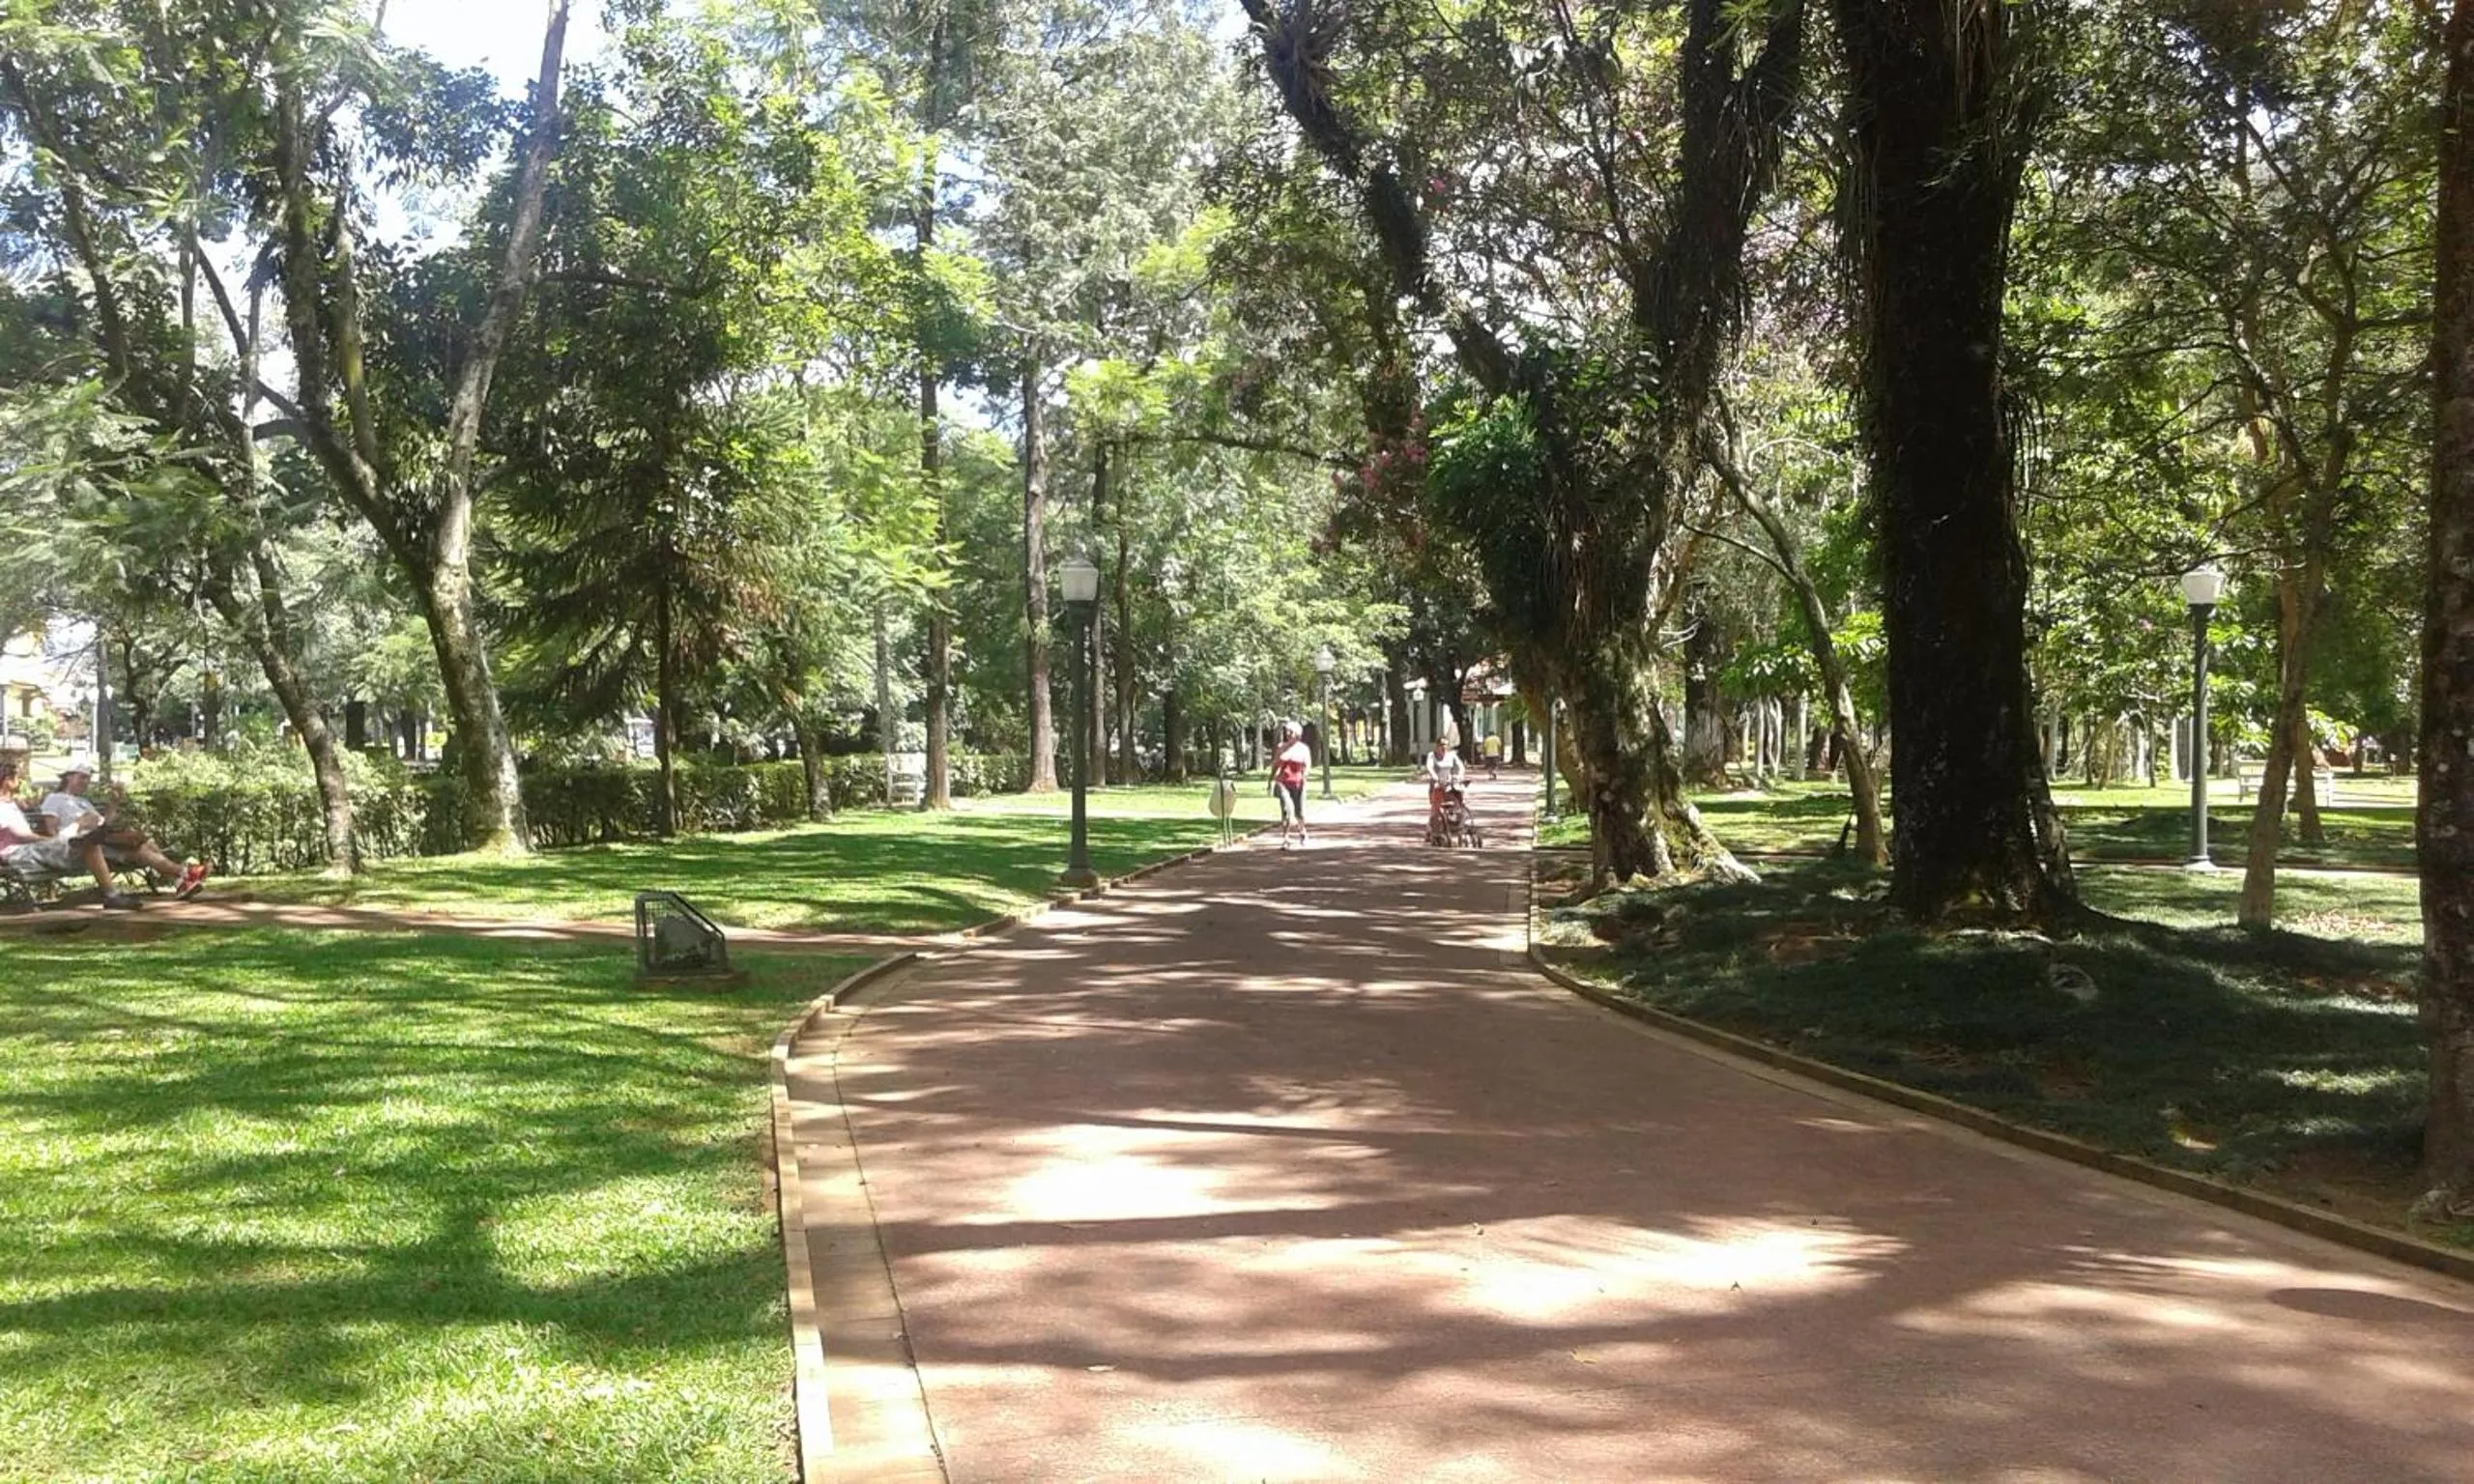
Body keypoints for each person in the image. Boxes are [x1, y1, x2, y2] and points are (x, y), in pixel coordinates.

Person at [40, 762, 209, 899]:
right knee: (140, 849)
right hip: (82, 847)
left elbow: (104, 823)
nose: (86, 782)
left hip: (102, 840)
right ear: (68, 777)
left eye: (88, 778)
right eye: (82, 777)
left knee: (144, 842)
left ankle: (180, 882)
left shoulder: (83, 801)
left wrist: (115, 802)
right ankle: (185, 873)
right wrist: (78, 824)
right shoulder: (54, 799)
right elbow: (53, 834)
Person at [0, 757, 138, 909]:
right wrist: (51, 840)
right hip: (17, 854)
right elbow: (22, 835)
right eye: (17, 778)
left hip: (34, 849)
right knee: (86, 843)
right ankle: (111, 894)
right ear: (7, 780)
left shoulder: (10, 803)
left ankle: (83, 840)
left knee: (90, 845)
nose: (20, 782)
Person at [1271, 720, 1312, 848]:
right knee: (1287, 810)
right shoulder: (1281, 747)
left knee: (1299, 812)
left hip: (1298, 783)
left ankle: (1302, 832)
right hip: (1283, 782)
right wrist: (1270, 780)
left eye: (1291, 732)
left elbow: (1307, 766)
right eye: (1287, 731)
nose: (1288, 734)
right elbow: (1275, 765)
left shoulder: (1303, 749)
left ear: (1297, 734)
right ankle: (1285, 838)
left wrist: (1304, 777)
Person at [1422, 735, 1467, 835]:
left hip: (1450, 785)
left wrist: (1459, 775)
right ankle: (1431, 829)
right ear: (1437, 746)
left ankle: (1457, 825)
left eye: (1446, 745)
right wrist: (1435, 777)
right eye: (1441, 745)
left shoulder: (1452, 755)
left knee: (1458, 803)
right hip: (1437, 786)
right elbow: (1429, 767)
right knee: (1436, 809)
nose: (1444, 747)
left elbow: (1460, 766)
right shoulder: (1431, 755)